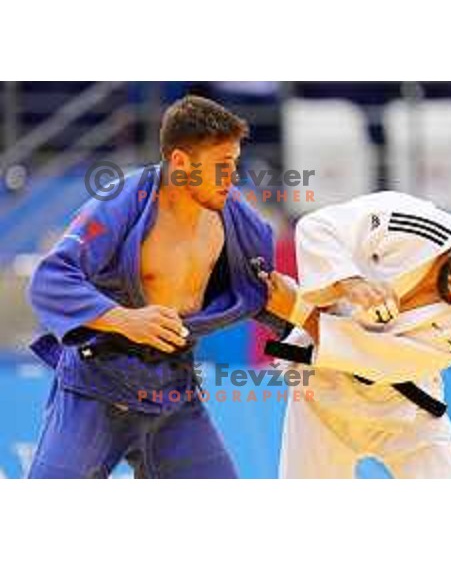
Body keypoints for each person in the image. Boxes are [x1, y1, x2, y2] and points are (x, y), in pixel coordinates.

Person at [27, 95, 292, 479]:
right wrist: (124, 319)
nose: (232, 177)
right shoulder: (121, 200)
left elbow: (265, 294)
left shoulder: (235, 215)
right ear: (181, 163)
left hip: (173, 390)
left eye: (234, 163)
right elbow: (51, 278)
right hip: (96, 387)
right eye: (221, 165)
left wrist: (318, 330)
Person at [269, 191, 451, 478]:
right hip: (322, 396)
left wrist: (298, 311)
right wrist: (349, 281)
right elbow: (317, 227)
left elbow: (378, 362)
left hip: (405, 414)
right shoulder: (408, 220)